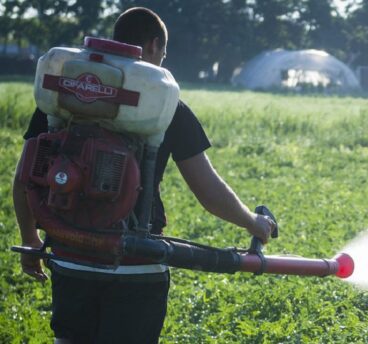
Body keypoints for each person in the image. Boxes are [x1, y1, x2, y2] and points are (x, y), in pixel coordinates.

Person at [12, 7, 275, 344]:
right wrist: (253, 222)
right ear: (152, 46)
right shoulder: (164, 101)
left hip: (70, 256)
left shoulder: (65, 92)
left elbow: (25, 178)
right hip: (137, 263)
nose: (162, 60)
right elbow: (207, 189)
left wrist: (30, 240)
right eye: (163, 53)